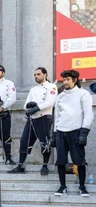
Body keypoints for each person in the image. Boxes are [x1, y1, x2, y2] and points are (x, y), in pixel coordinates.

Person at [8, 67, 57, 175]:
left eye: (38, 74)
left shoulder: (51, 87)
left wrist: (36, 108)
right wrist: (29, 106)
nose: (36, 76)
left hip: (44, 117)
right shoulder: (33, 89)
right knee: (24, 141)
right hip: (32, 119)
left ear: (45, 74)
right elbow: (26, 104)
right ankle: (20, 165)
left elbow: (50, 102)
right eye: (34, 75)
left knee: (44, 142)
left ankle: (45, 166)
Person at [53, 69, 93, 197]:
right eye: (63, 79)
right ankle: (62, 186)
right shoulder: (60, 96)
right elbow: (56, 116)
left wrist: (84, 132)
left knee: (79, 160)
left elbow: (88, 114)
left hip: (76, 131)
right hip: (60, 131)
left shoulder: (83, 94)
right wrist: (54, 134)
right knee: (61, 161)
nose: (65, 81)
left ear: (75, 80)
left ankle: (82, 187)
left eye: (67, 79)